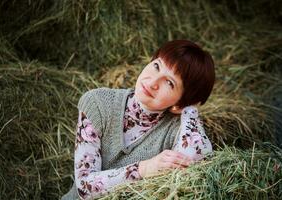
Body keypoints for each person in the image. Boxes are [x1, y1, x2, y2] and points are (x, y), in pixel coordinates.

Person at [62, 39, 215, 200]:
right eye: (157, 66)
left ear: (179, 103)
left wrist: (189, 110)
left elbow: (197, 161)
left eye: (169, 83)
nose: (153, 82)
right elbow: (85, 187)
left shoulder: (176, 129)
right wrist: (145, 168)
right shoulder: (98, 103)